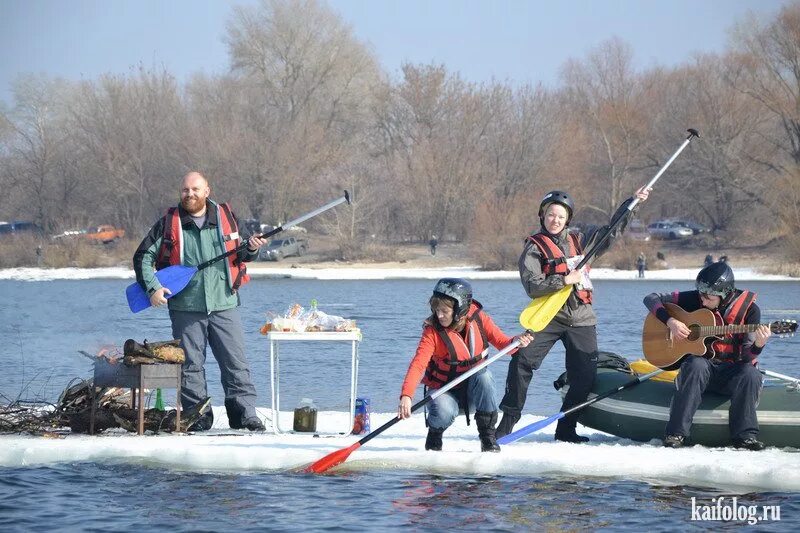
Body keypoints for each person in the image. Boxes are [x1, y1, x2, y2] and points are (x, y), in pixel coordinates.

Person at [497, 187, 651, 443]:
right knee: (521, 361)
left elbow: (611, 232)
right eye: (550, 215)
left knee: (584, 377)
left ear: (567, 219)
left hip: (581, 318)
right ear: (542, 216)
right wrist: (565, 279)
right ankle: (507, 421)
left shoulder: (580, 241)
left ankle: (566, 428)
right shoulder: (533, 249)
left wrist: (632, 203)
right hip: (549, 317)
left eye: (560, 216)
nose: (554, 220)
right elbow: (533, 286)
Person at [133, 171, 267, 432]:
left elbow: (244, 254)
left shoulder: (227, 218)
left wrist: (252, 248)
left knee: (235, 363)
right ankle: (198, 417)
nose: (190, 194)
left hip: (224, 304)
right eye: (185, 190)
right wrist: (153, 288)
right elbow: (142, 258)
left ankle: (244, 415)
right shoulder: (168, 224)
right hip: (186, 307)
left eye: (195, 189)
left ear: (207, 191)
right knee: (191, 367)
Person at [643, 261, 770, 450]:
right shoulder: (698, 297)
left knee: (751, 373)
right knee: (696, 364)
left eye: (708, 298)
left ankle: (744, 437)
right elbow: (651, 298)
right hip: (702, 369)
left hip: (731, 373)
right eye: (701, 295)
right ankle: (676, 434)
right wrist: (670, 322)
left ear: (724, 294)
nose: (702, 301)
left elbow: (746, 357)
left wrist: (758, 346)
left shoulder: (751, 311)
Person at [397, 278, 533, 452]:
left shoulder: (479, 319)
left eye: (444, 311)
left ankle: (488, 439)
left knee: (484, 376)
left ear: (460, 309)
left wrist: (517, 342)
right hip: (443, 391)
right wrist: (406, 395)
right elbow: (418, 364)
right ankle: (434, 436)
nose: (439, 316)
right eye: (436, 310)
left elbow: (503, 344)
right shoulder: (432, 332)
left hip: (473, 393)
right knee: (444, 411)